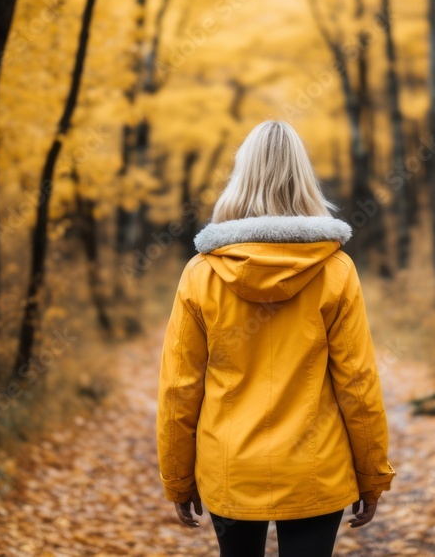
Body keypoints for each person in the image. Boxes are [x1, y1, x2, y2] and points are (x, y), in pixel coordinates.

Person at [156, 120, 395, 557]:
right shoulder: (335, 270)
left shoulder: (201, 273)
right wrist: (372, 474)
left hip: (231, 467)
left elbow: (180, 387)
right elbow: (357, 383)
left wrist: (177, 478)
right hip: (314, 466)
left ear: (239, 179)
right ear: (302, 180)